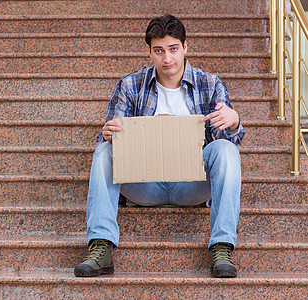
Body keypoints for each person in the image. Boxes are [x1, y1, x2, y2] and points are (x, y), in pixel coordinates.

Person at [74, 14, 245, 278]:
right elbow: (110, 143)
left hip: (192, 184)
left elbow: (226, 150)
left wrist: (233, 122)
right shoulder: (131, 85)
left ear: (185, 48)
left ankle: (222, 246)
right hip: (144, 185)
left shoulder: (210, 84)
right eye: (159, 51)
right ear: (150, 53)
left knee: (226, 150)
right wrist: (109, 135)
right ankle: (101, 246)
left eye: (173, 49)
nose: (167, 58)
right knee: (104, 151)